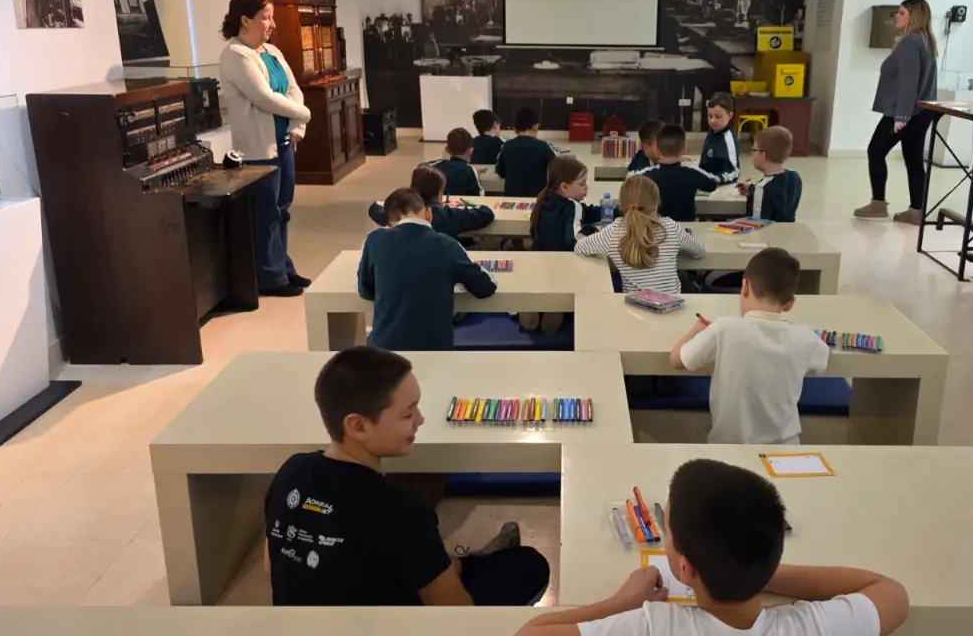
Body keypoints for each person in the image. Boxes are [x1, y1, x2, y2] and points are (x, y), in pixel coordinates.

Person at [265, 347, 550, 606]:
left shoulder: (291, 472)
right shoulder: (403, 511)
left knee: (430, 561)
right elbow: (456, 610)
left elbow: (272, 563)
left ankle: (449, 563)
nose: (420, 420)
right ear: (358, 426)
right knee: (528, 565)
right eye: (407, 414)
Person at [516, 458, 909, 636]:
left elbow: (530, 633)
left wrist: (621, 602)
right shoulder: (808, 627)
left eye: (668, 531)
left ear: (685, 570)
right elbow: (891, 592)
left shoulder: (653, 625)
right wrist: (755, 569)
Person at [670, 248, 828, 444]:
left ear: (744, 286)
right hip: (785, 448)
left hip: (728, 448)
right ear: (789, 304)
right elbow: (823, 360)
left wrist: (696, 330)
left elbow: (677, 359)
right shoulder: (805, 337)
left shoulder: (724, 328)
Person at [219, 0, 313, 297]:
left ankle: (283, 267)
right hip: (259, 150)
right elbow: (264, 97)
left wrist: (298, 124)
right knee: (266, 213)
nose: (272, 24)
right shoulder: (236, 55)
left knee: (282, 209)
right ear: (245, 20)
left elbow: (293, 90)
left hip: (284, 143)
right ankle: (270, 277)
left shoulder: (271, 51)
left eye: (272, 17)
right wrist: (304, 113)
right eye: (265, 18)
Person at [357, 189, 497, 350]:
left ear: (388, 223)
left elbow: (365, 291)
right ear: (429, 214)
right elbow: (485, 287)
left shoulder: (374, 241)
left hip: (386, 347)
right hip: (435, 347)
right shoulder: (447, 244)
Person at [853, 0, 939, 225]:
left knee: (875, 151)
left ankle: (878, 204)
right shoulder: (926, 40)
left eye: (901, 13)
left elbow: (908, 82)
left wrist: (901, 116)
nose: (896, 17)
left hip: (904, 112)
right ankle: (916, 211)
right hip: (922, 111)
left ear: (914, 16)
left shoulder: (910, 42)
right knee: (913, 159)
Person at [575, 176, 706, 294]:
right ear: (656, 205)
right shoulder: (671, 227)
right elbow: (699, 252)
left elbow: (580, 247)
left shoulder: (614, 231)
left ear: (622, 206)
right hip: (671, 307)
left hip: (634, 308)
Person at [519, 156, 600, 333]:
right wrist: (592, 232)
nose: (587, 188)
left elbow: (586, 212)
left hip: (539, 262)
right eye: (582, 184)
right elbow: (573, 239)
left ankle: (531, 310)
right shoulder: (573, 206)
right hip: (563, 267)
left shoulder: (544, 199)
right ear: (565, 186)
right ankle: (555, 312)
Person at [367, 166, 494, 242]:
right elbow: (486, 213)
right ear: (440, 192)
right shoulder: (448, 214)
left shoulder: (399, 212)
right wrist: (463, 204)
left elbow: (375, 206)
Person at [630, 124, 719, 223]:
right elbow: (713, 183)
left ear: (657, 150)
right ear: (683, 150)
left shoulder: (647, 175)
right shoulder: (691, 172)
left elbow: (630, 182)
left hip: (658, 228)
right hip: (685, 228)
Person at [737, 126, 803, 222]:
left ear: (762, 156)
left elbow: (756, 223)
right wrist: (751, 189)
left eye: (754, 150)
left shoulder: (761, 188)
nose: (752, 153)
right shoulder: (794, 176)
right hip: (787, 230)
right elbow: (778, 195)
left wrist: (756, 193)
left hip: (769, 232)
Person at [496, 107, 556, 197]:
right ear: (536, 126)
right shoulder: (543, 147)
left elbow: (500, 172)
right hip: (538, 199)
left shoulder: (507, 146)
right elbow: (556, 171)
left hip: (512, 198)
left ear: (515, 128)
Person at [698, 93, 740, 185]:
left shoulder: (729, 138)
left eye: (718, 117)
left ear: (730, 115)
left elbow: (735, 172)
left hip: (721, 185)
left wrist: (716, 178)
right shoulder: (712, 130)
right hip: (705, 181)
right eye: (710, 116)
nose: (713, 120)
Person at [431, 127, 484, 196]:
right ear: (470, 150)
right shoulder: (469, 170)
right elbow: (479, 194)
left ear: (447, 149)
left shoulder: (435, 167)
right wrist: (475, 173)